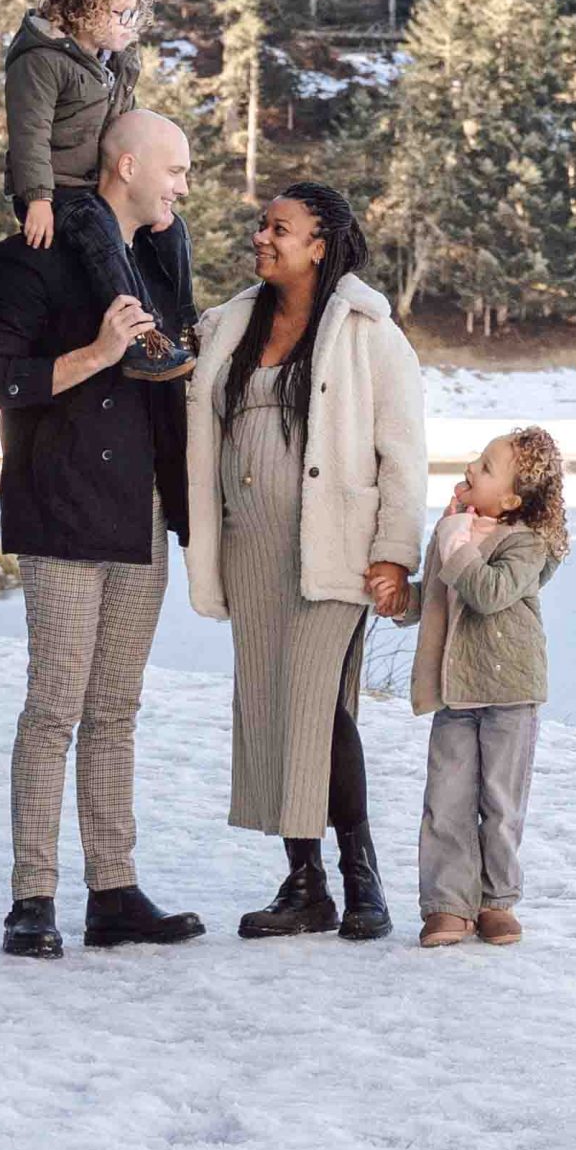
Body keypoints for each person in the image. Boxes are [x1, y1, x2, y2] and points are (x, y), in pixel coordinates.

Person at [0, 108, 205, 959]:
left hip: (142, 513)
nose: (184, 185)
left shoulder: (156, 261)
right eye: (175, 170)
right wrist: (99, 353)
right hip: (63, 506)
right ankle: (31, 898)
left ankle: (114, 891)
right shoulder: (28, 258)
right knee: (54, 710)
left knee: (116, 711)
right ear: (129, 164)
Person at [184, 183, 426, 943]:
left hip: (335, 551)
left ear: (320, 243)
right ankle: (304, 883)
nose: (262, 237)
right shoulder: (229, 325)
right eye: (260, 224)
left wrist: (393, 552)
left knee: (318, 704)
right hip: (250, 548)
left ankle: (362, 879)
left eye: (279, 228)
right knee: (270, 703)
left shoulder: (367, 332)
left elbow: (403, 454)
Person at [397, 427, 568, 950]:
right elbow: (439, 600)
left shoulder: (526, 544)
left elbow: (489, 593)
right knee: (446, 799)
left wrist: (455, 542)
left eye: (487, 467)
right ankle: (448, 905)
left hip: (508, 691)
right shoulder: (455, 532)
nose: (472, 468)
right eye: (478, 459)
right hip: (456, 690)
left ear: (513, 498)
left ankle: (496, 901)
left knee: (500, 801)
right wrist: (399, 598)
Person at [4, 0, 194, 382]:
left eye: (135, 12)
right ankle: (140, 341)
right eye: (119, 12)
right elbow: (28, 135)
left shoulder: (115, 62)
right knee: (100, 231)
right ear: (81, 9)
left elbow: (129, 125)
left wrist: (151, 188)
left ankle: (184, 324)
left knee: (173, 229)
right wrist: (37, 199)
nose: (130, 22)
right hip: (58, 190)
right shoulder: (41, 60)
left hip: (97, 185)